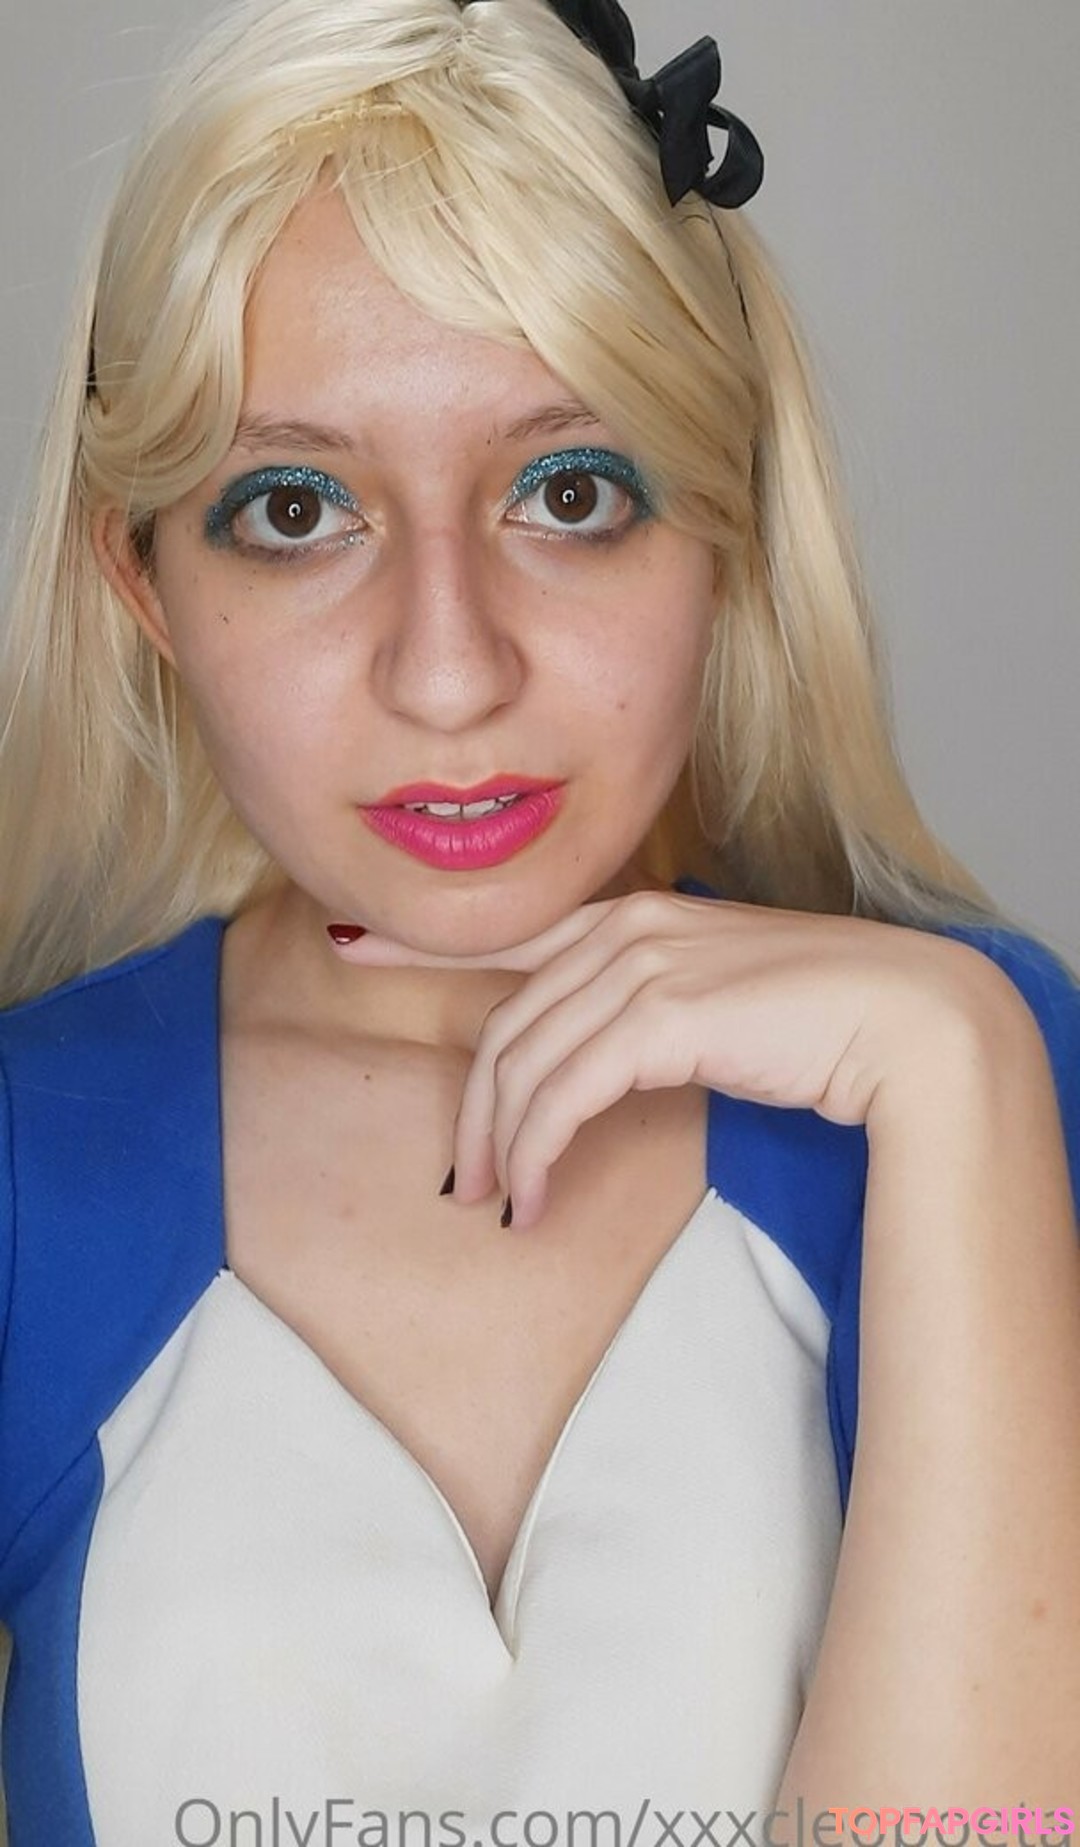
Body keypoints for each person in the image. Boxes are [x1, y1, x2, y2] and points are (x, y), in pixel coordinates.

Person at [0, 0, 1077, 1842]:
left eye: (570, 493)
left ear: (726, 532)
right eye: (295, 508)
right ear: (146, 584)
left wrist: (959, 1058)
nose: (449, 670)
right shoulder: (28, 1160)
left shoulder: (982, 1086)